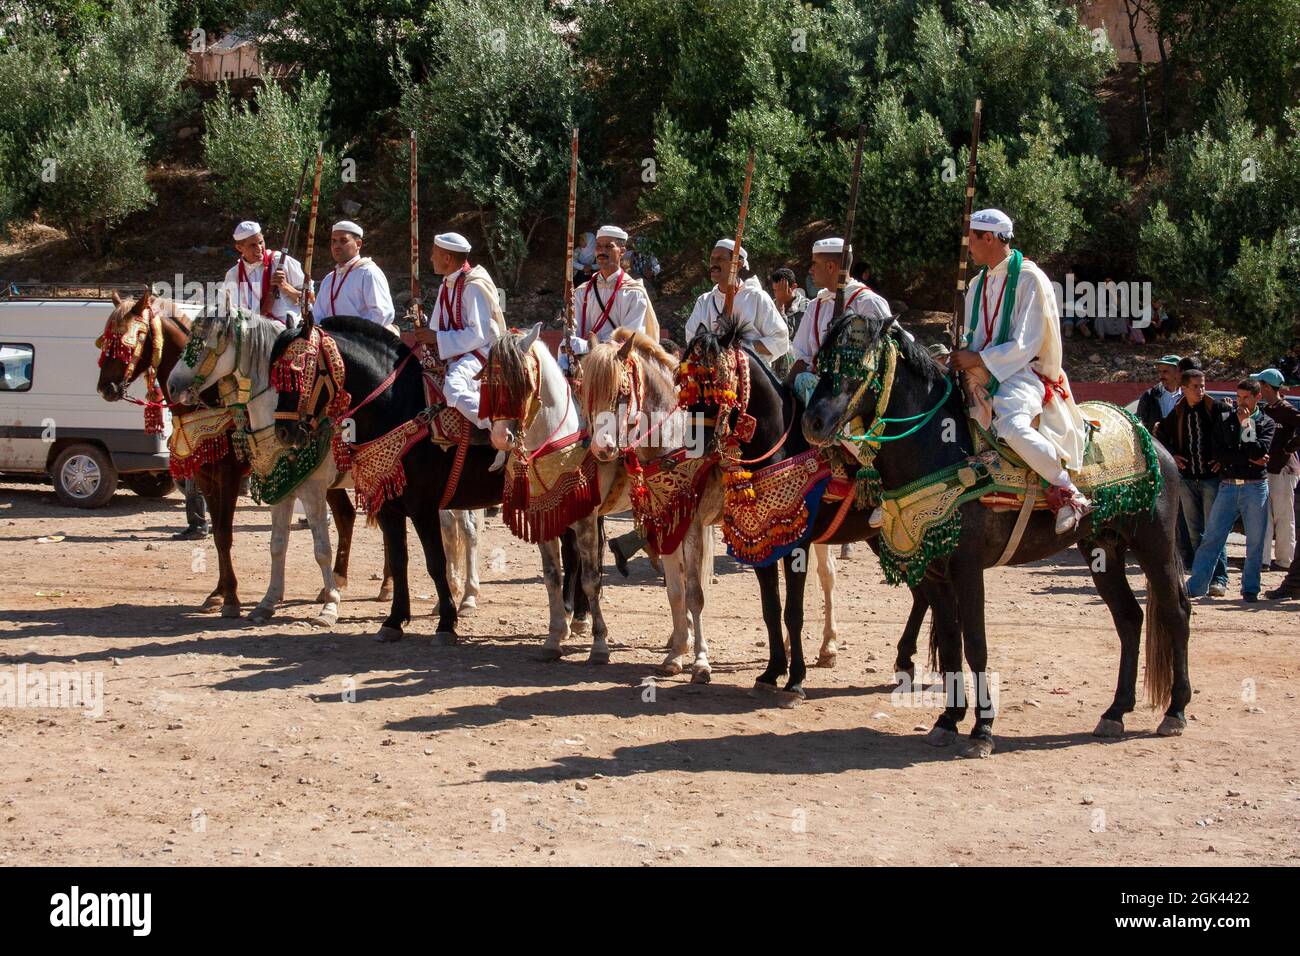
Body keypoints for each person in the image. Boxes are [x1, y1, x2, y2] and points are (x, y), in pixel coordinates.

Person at [948, 209, 1092, 534]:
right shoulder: (976, 283)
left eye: (971, 238)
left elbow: (1027, 343)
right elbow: (973, 335)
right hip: (978, 369)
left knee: (1012, 426)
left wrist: (978, 359)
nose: (966, 245)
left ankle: (1067, 491)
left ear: (990, 238)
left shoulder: (1030, 278)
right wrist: (960, 352)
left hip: (1022, 373)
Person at [1186, 379, 1276, 602]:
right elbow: (1219, 454)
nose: (1240, 402)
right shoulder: (1225, 420)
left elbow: (1258, 452)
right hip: (1227, 486)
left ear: (1257, 398)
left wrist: (1247, 426)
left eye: (1246, 397)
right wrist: (1248, 458)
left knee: (1255, 542)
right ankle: (1196, 586)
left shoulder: (1266, 422)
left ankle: (1250, 590)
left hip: (1255, 488)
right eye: (1238, 397)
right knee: (1212, 538)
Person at [412, 232, 504, 431]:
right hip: (458, 352)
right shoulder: (446, 284)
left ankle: (494, 425)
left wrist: (437, 338)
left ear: (447, 258)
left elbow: (480, 334)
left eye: (434, 253)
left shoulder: (473, 286)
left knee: (453, 388)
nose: (431, 258)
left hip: (482, 354)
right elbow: (438, 326)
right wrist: (425, 328)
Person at [787, 237, 891, 401]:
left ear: (830, 266)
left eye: (815, 264)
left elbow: (890, 353)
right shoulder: (815, 305)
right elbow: (802, 357)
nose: (810, 270)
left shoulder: (867, 303)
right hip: (814, 398)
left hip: (852, 400)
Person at [1157, 367, 1230, 594]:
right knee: (1195, 531)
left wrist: (1223, 460)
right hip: (1187, 480)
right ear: (1185, 388)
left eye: (1203, 386)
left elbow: (1232, 435)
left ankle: (1220, 579)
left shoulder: (1216, 409)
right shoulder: (1178, 412)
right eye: (1195, 387)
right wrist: (1172, 456)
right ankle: (1202, 579)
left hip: (1211, 479)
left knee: (1214, 530)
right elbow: (1159, 435)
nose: (1200, 390)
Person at [563, 225, 655, 370]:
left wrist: (590, 346)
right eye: (599, 246)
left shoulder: (633, 293)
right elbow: (574, 331)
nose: (602, 251)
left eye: (608, 246)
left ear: (622, 251)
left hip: (619, 366)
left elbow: (630, 339)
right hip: (585, 366)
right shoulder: (582, 292)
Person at [684, 239, 789, 363]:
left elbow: (780, 340)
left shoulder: (756, 297)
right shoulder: (704, 301)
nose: (714, 264)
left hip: (750, 375)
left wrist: (741, 347)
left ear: (737, 265)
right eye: (712, 259)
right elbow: (692, 338)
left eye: (720, 259)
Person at [1252, 367, 1300, 571]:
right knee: (1266, 516)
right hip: (1267, 469)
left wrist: (1289, 447)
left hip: (1284, 469)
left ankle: (1284, 560)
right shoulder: (1265, 410)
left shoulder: (1287, 409)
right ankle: (1263, 560)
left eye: (1259, 384)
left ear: (1265, 386)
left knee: (1284, 515)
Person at [312, 220, 395, 327]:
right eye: (334, 241)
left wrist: (351, 335)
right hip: (330, 340)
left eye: (343, 241)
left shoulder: (368, 273)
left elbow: (382, 314)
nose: (336, 246)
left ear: (358, 244)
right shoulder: (329, 279)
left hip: (361, 340)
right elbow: (317, 316)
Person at [221, 220, 304, 326]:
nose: (259, 249)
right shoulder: (233, 275)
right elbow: (230, 313)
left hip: (287, 331)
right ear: (239, 248)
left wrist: (285, 287)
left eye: (261, 242)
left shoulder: (280, 261)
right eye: (252, 245)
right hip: (254, 334)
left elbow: (310, 299)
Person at [768, 267, 807, 380]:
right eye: (775, 290)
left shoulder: (805, 307)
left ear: (793, 287)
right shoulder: (771, 304)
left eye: (781, 290)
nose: (777, 295)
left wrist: (780, 309)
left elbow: (788, 334)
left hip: (796, 368)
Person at [1136, 355, 1183, 433]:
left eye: (1165, 371)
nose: (1161, 375)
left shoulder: (1188, 396)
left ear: (1178, 372)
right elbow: (1140, 426)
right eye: (1159, 371)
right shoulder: (1149, 396)